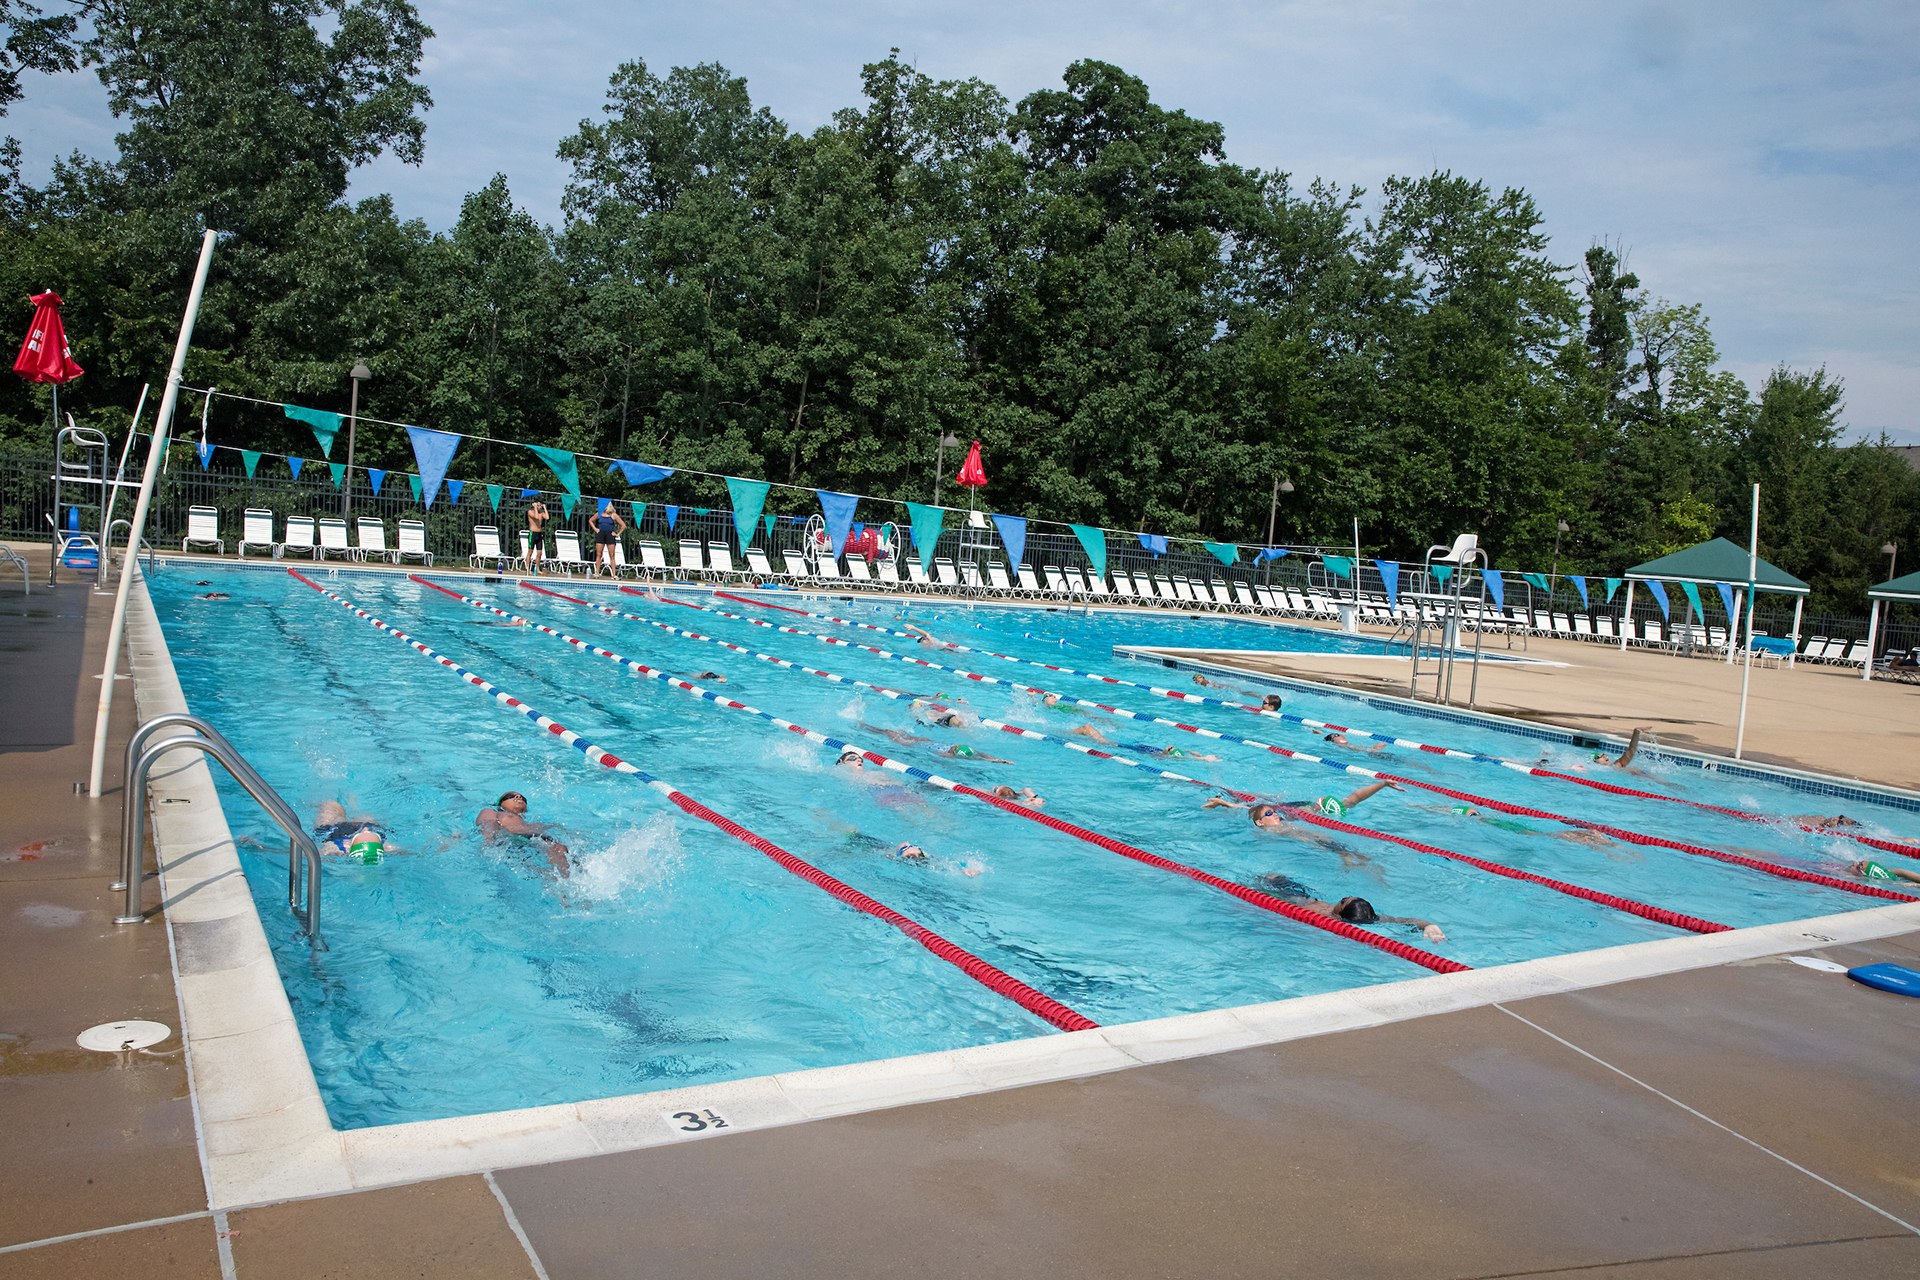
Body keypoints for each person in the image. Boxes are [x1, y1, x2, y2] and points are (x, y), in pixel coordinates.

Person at [1250, 872, 1446, 942]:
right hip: (1307, 896)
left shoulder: (1318, 914)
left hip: (1294, 897)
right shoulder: (1376, 919)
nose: (1340, 899)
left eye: (1343, 900)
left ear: (1340, 912)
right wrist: (1428, 926)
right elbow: (1405, 921)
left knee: (1267, 878)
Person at [1205, 780, 1403, 823]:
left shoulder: (1330, 809)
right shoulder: (1305, 812)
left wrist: (1383, 784)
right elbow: (1250, 808)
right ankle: (1228, 792)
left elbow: (1355, 798)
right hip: (1291, 808)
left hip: (1293, 808)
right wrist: (1227, 804)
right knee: (1259, 803)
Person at [477, 791, 571, 876]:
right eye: (511, 796)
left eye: (523, 798)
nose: (518, 796)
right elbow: (487, 823)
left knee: (561, 849)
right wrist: (489, 844)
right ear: (500, 805)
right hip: (511, 838)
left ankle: (562, 889)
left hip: (533, 842)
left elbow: (562, 830)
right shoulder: (492, 811)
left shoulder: (535, 824)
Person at [312, 800, 390, 863]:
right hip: (370, 826)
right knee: (366, 817)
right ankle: (353, 802)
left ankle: (352, 801)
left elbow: (313, 854)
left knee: (332, 806)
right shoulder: (388, 848)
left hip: (337, 830)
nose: (366, 830)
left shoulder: (335, 850)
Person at [591, 501, 627, 577]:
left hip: (610, 535)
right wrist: (595, 529)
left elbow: (623, 525)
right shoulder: (599, 513)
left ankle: (613, 575)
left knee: (612, 555)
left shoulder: (613, 515)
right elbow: (590, 520)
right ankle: (597, 573)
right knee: (598, 554)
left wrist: (617, 534)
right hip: (601, 534)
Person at [1117, 742, 1224, 762]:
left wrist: (1202, 758)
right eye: (1172, 747)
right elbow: (1184, 754)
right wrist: (1200, 756)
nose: (1169, 746)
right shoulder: (1162, 754)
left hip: (1139, 749)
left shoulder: (1160, 755)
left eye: (1170, 748)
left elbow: (1181, 757)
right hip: (1143, 747)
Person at [1850, 859, 1920, 885]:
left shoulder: (1854, 878)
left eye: (1859, 866)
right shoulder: (1889, 874)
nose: (1855, 863)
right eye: (1859, 862)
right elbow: (1902, 872)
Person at [525, 500, 550, 571]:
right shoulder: (530, 512)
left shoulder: (541, 513)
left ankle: (538, 569)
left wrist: (544, 507)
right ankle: (528, 569)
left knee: (539, 553)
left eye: (540, 505)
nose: (539, 507)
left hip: (539, 534)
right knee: (530, 551)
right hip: (532, 533)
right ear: (533, 505)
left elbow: (547, 517)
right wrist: (535, 507)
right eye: (538, 505)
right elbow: (536, 517)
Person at [1321, 731, 1387, 755]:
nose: (1342, 735)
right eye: (1337, 735)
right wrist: (1373, 748)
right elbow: (1355, 748)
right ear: (1333, 741)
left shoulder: (1341, 747)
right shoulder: (1344, 745)